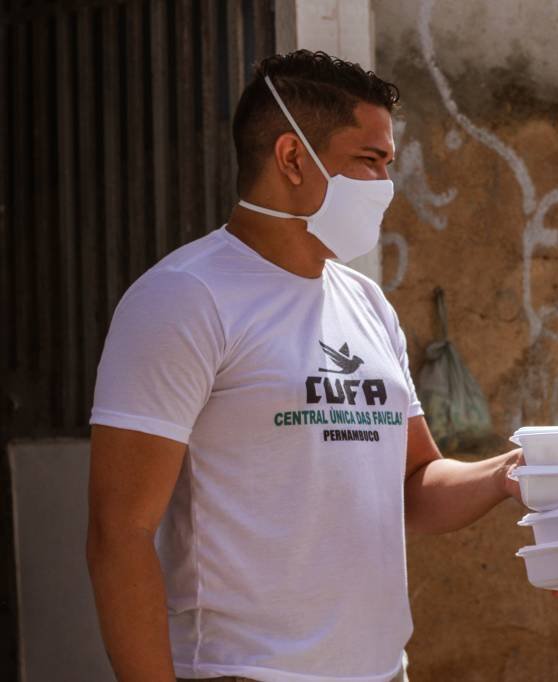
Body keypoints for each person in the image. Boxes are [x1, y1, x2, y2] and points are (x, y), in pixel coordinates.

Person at [86, 50, 521, 682]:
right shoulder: (184, 298)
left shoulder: (366, 302)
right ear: (292, 158)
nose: (384, 186)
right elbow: (117, 533)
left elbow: (413, 484)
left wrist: (509, 473)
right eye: (367, 161)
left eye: (387, 165)